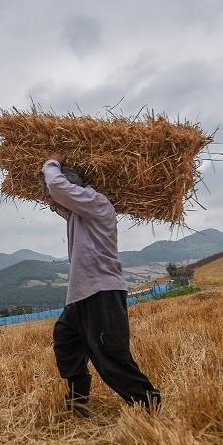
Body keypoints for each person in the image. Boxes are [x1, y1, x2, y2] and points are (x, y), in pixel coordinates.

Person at [41, 153, 160, 416]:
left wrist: (51, 162)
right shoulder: (80, 214)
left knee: (110, 356)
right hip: (81, 295)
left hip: (101, 291)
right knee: (66, 341)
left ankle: (149, 404)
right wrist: (55, 203)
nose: (52, 201)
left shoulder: (97, 202)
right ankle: (78, 401)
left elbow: (57, 186)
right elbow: (61, 201)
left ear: (74, 187)